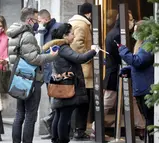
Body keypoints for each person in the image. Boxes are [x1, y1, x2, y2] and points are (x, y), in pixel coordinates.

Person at [7, 7, 58, 143]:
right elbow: (33, 59)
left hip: (19, 77)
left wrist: (42, 49)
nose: (38, 24)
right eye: (36, 20)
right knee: (30, 115)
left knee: (19, 114)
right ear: (29, 20)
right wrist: (50, 56)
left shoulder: (15, 33)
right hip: (31, 78)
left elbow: (25, 53)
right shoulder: (28, 35)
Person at [43, 23, 98, 143]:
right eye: (72, 33)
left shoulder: (57, 47)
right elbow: (79, 58)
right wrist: (93, 51)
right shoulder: (64, 48)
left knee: (59, 114)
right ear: (65, 35)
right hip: (67, 87)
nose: (73, 35)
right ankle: (62, 140)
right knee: (64, 116)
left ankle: (55, 139)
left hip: (60, 86)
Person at [99, 11, 145, 135]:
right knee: (108, 101)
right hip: (116, 73)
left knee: (131, 100)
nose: (132, 22)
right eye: (130, 20)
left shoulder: (115, 32)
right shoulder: (118, 35)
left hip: (117, 71)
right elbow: (121, 55)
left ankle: (141, 126)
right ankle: (96, 126)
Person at [118, 20, 154, 143]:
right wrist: (128, 70)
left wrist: (123, 51)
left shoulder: (148, 44)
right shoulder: (143, 43)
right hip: (142, 86)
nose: (134, 33)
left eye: (136, 30)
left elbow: (139, 61)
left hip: (146, 88)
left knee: (150, 120)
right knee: (148, 120)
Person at [68, 2, 93, 140]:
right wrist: (88, 56)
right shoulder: (82, 24)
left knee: (78, 101)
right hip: (83, 70)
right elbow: (77, 45)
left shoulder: (75, 22)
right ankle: (79, 131)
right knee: (83, 102)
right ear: (88, 13)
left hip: (78, 69)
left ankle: (76, 130)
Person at [37, 9, 61, 139]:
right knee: (53, 102)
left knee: (56, 102)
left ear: (45, 19)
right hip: (47, 71)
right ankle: (53, 131)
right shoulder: (44, 30)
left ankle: (55, 131)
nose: (39, 23)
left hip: (54, 71)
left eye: (40, 20)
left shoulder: (56, 28)